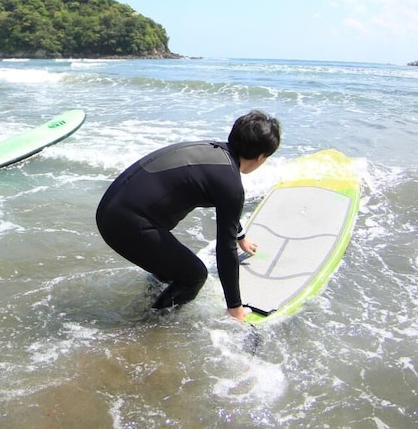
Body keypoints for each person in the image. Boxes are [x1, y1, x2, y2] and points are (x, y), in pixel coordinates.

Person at [95, 110, 281, 323]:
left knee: (174, 269)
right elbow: (225, 249)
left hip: (110, 209)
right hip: (127, 223)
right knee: (194, 276)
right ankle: (147, 329)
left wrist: (241, 236)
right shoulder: (230, 183)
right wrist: (235, 308)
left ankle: (153, 300)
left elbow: (224, 205)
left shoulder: (213, 154)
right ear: (261, 157)